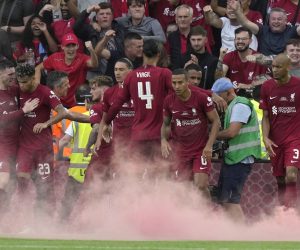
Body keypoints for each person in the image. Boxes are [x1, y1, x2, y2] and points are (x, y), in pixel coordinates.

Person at [98, 39, 172, 177]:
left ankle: (134, 198)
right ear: (158, 54)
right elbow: (178, 95)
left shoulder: (131, 76)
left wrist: (107, 123)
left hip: (138, 134)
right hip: (159, 133)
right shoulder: (164, 73)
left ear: (142, 54)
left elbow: (117, 103)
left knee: (134, 173)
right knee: (161, 172)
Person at [15, 63, 66, 217]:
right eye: (19, 81)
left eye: (25, 81)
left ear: (33, 78)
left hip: (43, 148)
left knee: (45, 184)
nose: (22, 85)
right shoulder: (16, 92)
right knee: (20, 180)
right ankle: (21, 215)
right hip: (24, 147)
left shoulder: (44, 92)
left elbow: (62, 112)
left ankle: (46, 219)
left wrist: (46, 123)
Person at [161, 68, 220, 199]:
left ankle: (208, 214)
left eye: (180, 82)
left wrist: (209, 146)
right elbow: (165, 124)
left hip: (200, 150)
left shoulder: (201, 98)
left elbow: (216, 121)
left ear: (187, 82)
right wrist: (163, 140)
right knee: (184, 188)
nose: (176, 86)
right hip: (181, 151)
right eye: (174, 83)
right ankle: (190, 216)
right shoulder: (169, 101)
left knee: (200, 184)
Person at [212, 77, 261, 222]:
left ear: (228, 92)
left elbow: (232, 132)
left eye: (218, 96)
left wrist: (211, 135)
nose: (216, 101)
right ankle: (233, 233)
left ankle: (241, 236)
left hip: (241, 159)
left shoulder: (240, 105)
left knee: (231, 201)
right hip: (234, 158)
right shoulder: (233, 106)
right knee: (225, 199)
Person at [260, 53, 300, 208]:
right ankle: (284, 212)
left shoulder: (298, 86)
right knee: (281, 179)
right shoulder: (267, 87)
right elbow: (265, 116)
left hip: (295, 139)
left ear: (288, 67)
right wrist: (265, 137)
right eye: (273, 66)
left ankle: (292, 216)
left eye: (278, 67)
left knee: (291, 175)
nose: (274, 70)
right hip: (275, 140)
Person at [0, 59, 39, 215]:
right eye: (10, 74)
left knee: (23, 181)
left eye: (14, 74)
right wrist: (24, 110)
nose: (13, 78)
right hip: (3, 144)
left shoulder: (15, 89)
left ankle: (20, 217)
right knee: (3, 181)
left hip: (21, 143)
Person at [35, 33, 98, 108]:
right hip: (57, 102)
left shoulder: (82, 58)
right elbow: (38, 68)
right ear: (62, 47)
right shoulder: (55, 57)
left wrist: (91, 50)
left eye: (73, 45)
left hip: (76, 102)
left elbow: (94, 64)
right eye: (68, 46)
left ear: (77, 46)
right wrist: (37, 87)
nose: (71, 49)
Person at [228, 1, 300, 56]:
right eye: (273, 19)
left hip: (284, 68)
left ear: (286, 21)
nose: (276, 21)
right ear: (269, 20)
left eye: (279, 19)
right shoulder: (262, 30)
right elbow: (245, 23)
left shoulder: (292, 30)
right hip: (263, 69)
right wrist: (237, 11)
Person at [215, 27, 269, 93]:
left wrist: (248, 86)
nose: (240, 41)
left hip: (253, 97)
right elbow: (218, 79)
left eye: (244, 39)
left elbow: (266, 83)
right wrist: (220, 58)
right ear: (234, 40)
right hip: (233, 98)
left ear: (250, 41)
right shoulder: (229, 56)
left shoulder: (259, 58)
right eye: (238, 39)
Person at [183, 25, 218, 89]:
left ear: (206, 40)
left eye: (199, 39)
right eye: (193, 40)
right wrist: (185, 70)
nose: (196, 43)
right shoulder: (183, 58)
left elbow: (211, 84)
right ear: (189, 40)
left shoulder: (213, 61)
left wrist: (198, 68)